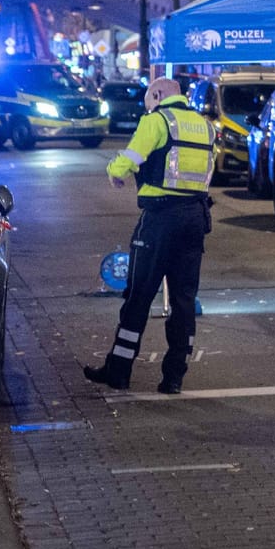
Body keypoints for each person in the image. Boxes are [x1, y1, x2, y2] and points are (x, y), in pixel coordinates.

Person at [84, 77, 212, 395]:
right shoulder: (204, 125)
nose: (148, 107)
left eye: (149, 101)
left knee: (138, 296)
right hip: (195, 218)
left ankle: (119, 371)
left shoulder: (157, 121)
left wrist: (115, 173)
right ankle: (174, 377)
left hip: (160, 220)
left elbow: (131, 158)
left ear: (157, 95)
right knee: (183, 300)